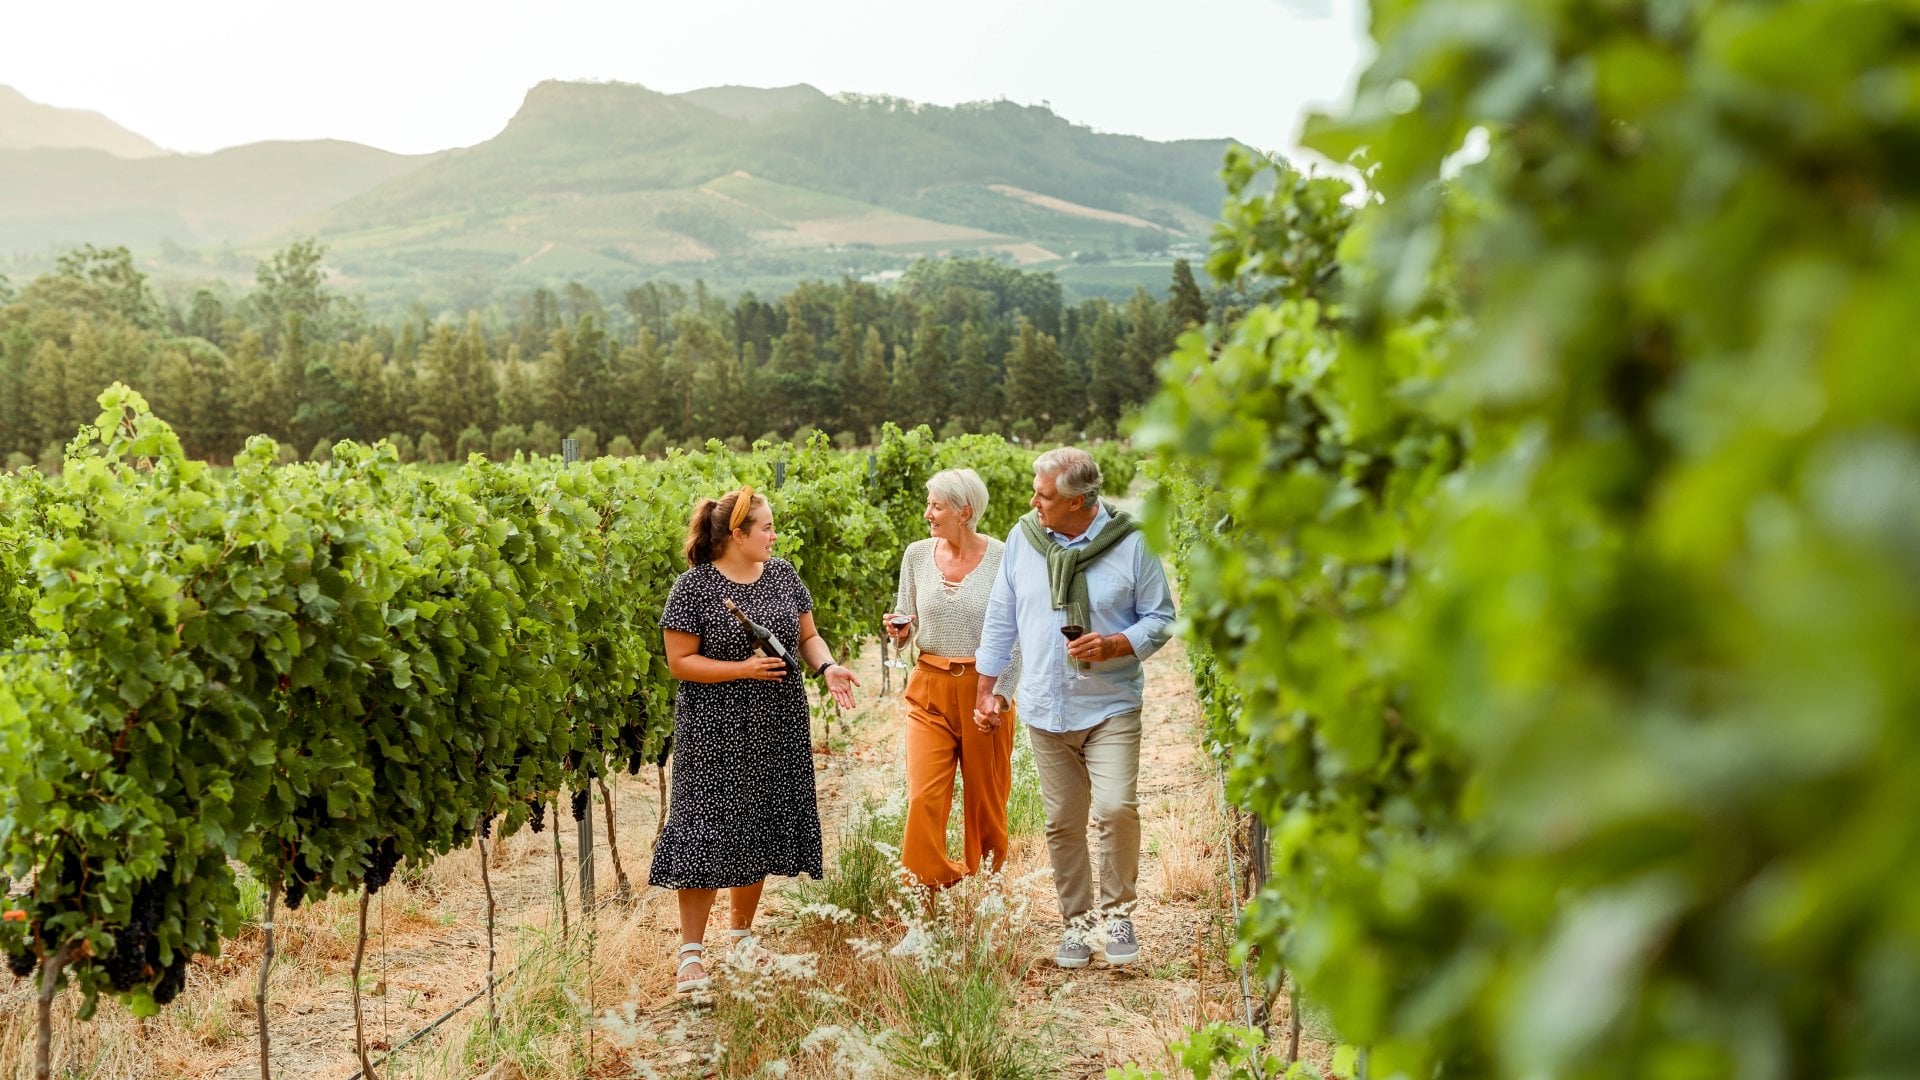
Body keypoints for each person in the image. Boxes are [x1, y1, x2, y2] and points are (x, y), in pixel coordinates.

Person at [651, 485, 860, 993]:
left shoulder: (785, 575)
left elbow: (807, 636)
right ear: (737, 535)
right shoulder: (693, 587)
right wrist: (740, 669)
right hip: (713, 728)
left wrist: (827, 667)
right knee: (702, 829)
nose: (773, 535)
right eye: (765, 528)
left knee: (758, 825)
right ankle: (691, 955)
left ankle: (742, 939)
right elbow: (680, 662)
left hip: (776, 722)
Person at [973, 447, 1175, 969]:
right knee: (1063, 823)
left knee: (1114, 810)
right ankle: (1078, 925)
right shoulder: (1024, 538)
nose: (1033, 502)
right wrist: (987, 687)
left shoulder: (1131, 543)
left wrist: (1114, 644)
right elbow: (1002, 617)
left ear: (1079, 501)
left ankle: (1119, 914)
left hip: (1109, 703)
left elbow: (1160, 618)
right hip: (1046, 704)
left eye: (1044, 495)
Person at [885, 468, 1024, 900]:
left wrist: (999, 695)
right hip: (929, 687)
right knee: (923, 798)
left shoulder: (1004, 558)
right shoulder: (917, 555)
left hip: (985, 690)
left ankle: (991, 895)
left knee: (986, 802)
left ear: (965, 512)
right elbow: (905, 618)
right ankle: (924, 897)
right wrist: (900, 632)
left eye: (936, 505)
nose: (927, 513)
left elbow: (1017, 634)